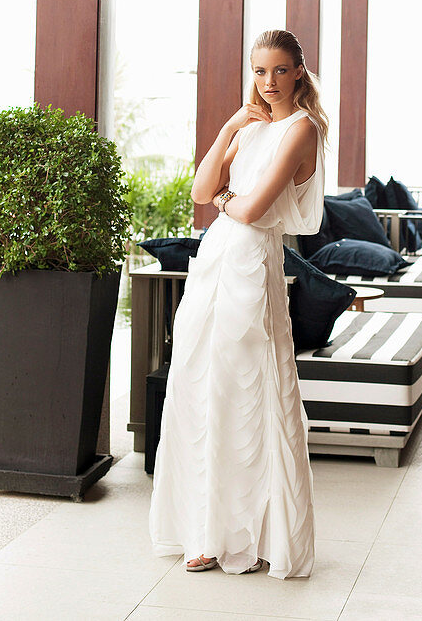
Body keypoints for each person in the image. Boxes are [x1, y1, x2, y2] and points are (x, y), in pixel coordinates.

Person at [149, 28, 328, 579]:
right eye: (258, 71)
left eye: (278, 70)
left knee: (245, 397)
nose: (267, 82)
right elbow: (201, 191)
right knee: (198, 389)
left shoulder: (304, 130)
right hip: (213, 264)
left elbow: (249, 211)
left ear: (298, 71)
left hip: (251, 266)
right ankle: (204, 533)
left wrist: (228, 198)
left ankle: (251, 534)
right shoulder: (249, 127)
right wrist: (229, 126)